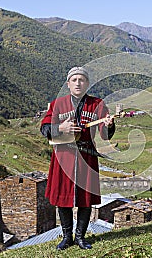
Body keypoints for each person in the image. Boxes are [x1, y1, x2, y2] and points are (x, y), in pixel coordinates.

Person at [40, 66, 115, 250]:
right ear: (68, 84)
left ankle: (80, 237)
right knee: (62, 198)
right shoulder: (58, 103)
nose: (78, 83)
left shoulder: (97, 104)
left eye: (82, 80)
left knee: (85, 198)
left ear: (87, 83)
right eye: (74, 80)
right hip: (63, 157)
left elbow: (105, 135)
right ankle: (67, 237)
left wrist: (109, 125)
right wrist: (60, 129)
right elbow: (44, 129)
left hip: (86, 156)